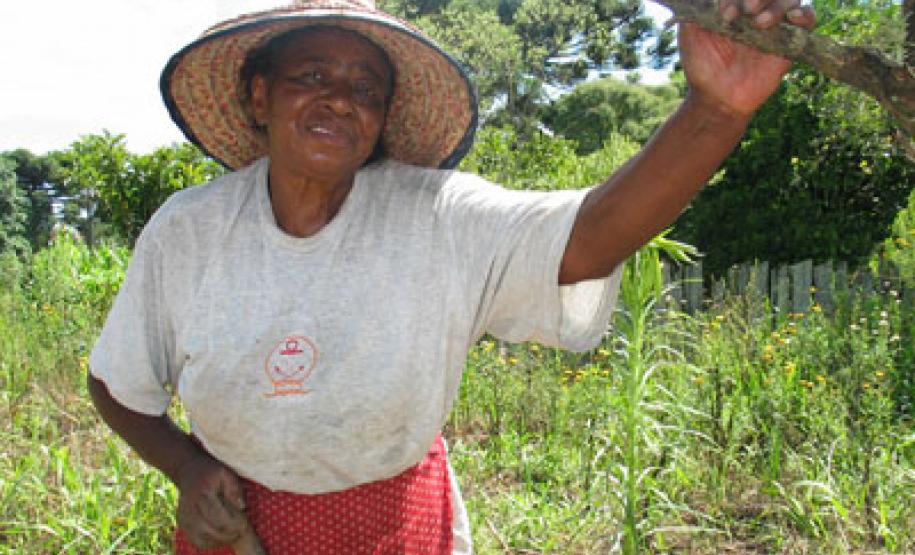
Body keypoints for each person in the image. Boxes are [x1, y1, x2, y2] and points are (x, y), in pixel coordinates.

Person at [87, 0, 816, 553]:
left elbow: (588, 238)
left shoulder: (434, 214)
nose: (340, 99)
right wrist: (184, 467)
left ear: (382, 117)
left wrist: (714, 110)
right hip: (235, 525)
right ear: (257, 97)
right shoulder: (189, 229)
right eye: (311, 76)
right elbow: (116, 382)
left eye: (365, 88)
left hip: (397, 524)